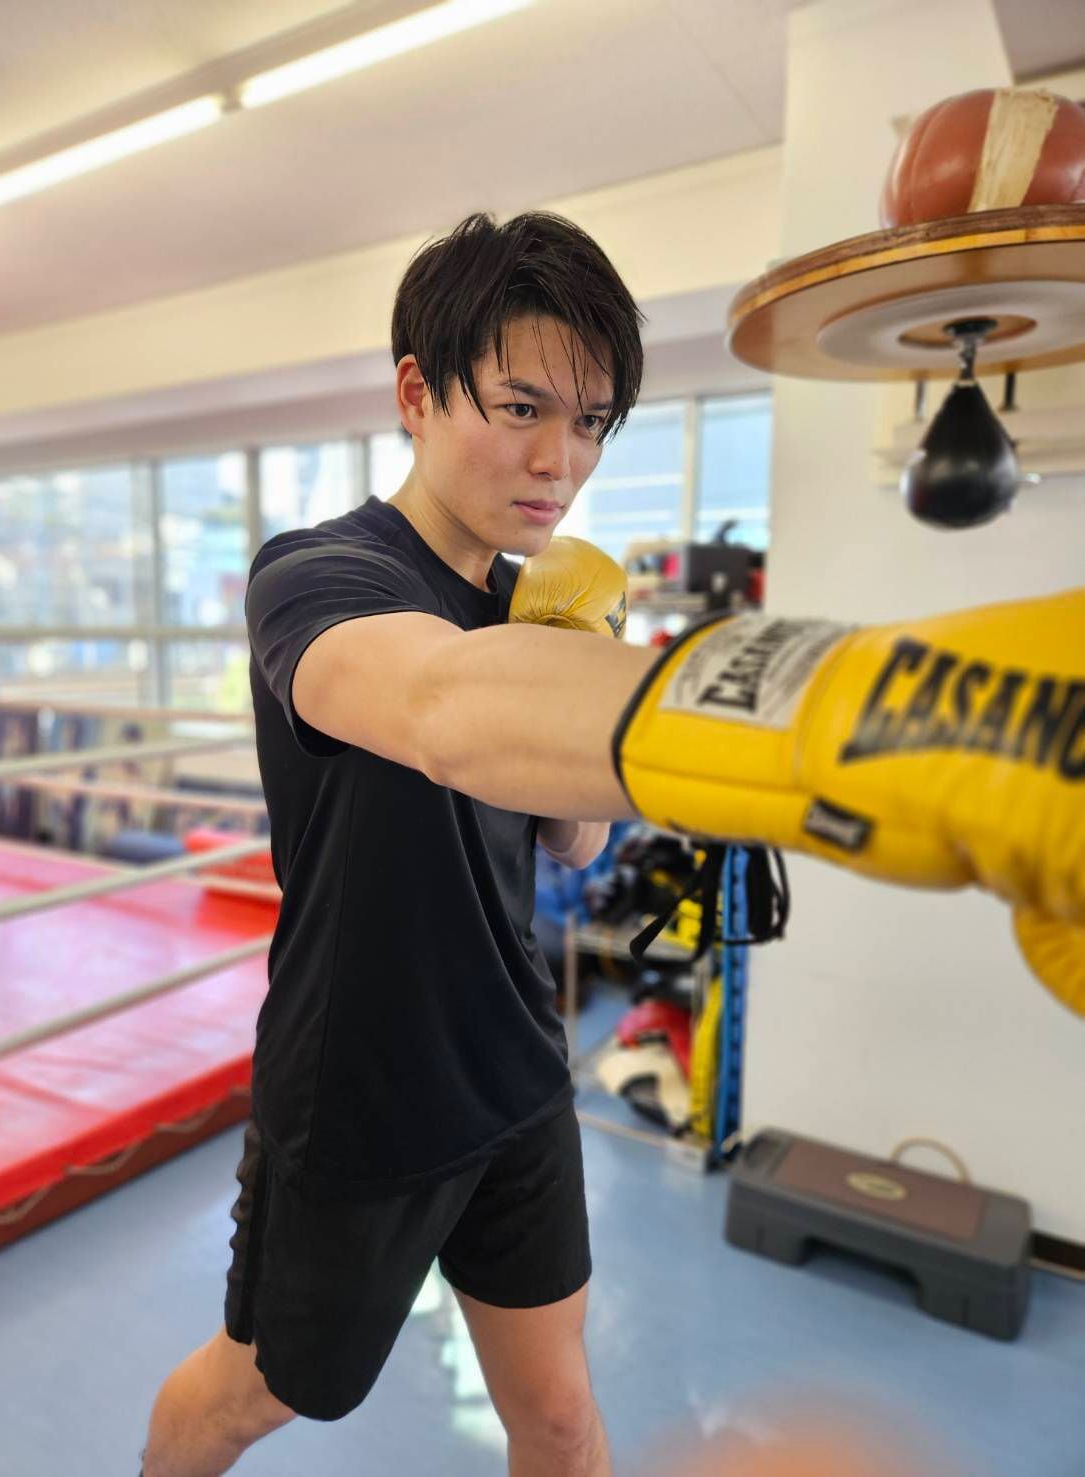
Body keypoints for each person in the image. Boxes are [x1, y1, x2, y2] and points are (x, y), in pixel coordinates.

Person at [142, 208, 1082, 1476]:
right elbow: (440, 709)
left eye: (589, 421)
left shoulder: (532, 594)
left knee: (561, 1418)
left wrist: (575, 644)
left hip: (517, 1074)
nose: (560, 460)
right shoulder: (318, 576)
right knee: (248, 1397)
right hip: (360, 1093)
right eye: (521, 407)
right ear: (416, 394)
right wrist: (843, 707)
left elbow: (573, 841)